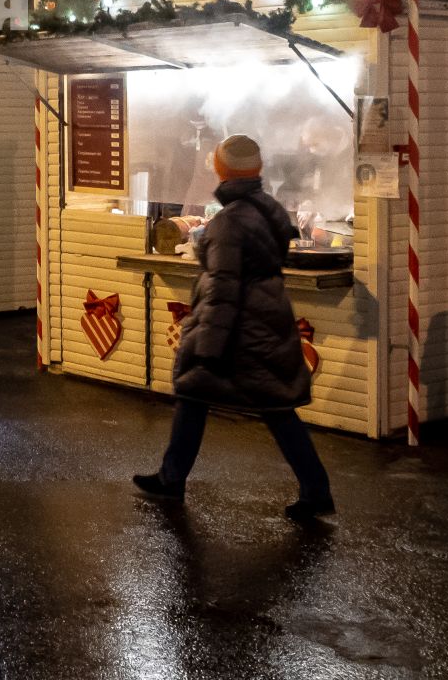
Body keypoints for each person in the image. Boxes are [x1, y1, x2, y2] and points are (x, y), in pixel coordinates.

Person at [133, 135, 334, 521]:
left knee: (258, 404)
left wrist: (207, 346)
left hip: (242, 328)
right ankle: (173, 478)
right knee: (260, 404)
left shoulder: (230, 221)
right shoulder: (267, 209)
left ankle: (315, 490)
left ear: (221, 169)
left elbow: (222, 290)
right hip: (265, 319)